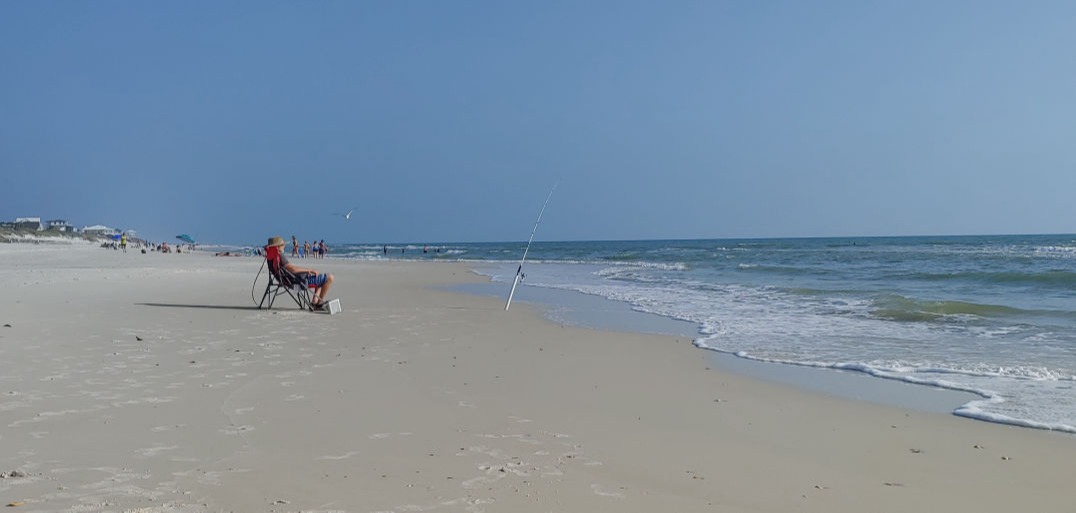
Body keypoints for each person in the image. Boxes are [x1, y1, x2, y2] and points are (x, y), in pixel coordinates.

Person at [268, 236, 334, 309]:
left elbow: (290, 270)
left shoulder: (270, 257)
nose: (284, 246)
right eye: (282, 245)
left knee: (319, 277)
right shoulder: (280, 256)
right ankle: (319, 303)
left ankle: (315, 302)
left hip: (287, 280)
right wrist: (309, 270)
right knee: (329, 277)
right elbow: (293, 269)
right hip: (297, 282)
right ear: (277, 247)